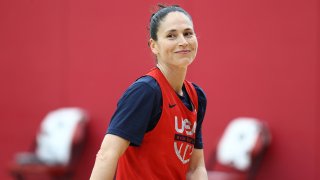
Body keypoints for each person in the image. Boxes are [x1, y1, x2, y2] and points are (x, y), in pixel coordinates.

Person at [90, 4, 208, 180]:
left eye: (188, 33)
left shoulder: (196, 97)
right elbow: (107, 154)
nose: (183, 41)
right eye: (171, 35)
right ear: (154, 46)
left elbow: (195, 167)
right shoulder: (146, 91)